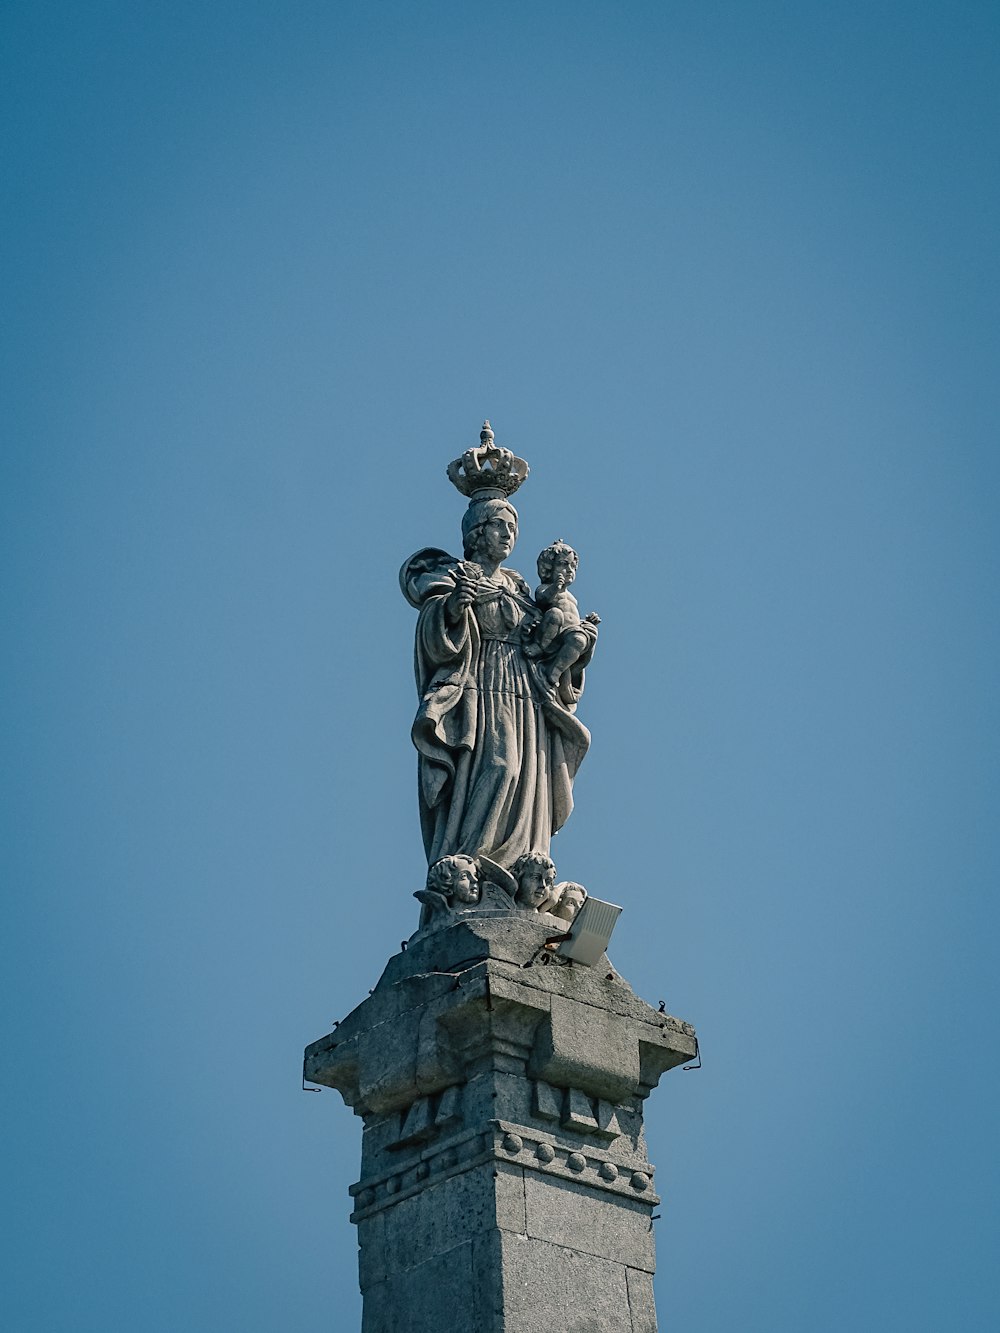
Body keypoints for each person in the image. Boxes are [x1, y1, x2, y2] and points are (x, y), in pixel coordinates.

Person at [402, 495, 597, 870]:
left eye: (513, 527)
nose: (509, 534)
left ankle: (520, 868)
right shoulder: (457, 577)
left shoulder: (521, 587)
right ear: (476, 534)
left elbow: (545, 638)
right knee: (499, 765)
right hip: (481, 684)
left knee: (529, 778)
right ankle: (468, 863)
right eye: (498, 525)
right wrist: (455, 606)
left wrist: (578, 642)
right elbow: (433, 631)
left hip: (526, 690)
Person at [523, 540, 600, 687]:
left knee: (580, 640)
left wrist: (588, 622)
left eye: (572, 566)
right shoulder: (545, 588)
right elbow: (542, 600)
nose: (570, 570)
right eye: (564, 564)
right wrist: (554, 588)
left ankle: (556, 670)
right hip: (552, 635)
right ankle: (538, 647)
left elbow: (574, 618)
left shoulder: (572, 598)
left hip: (570, 633)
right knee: (555, 614)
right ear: (548, 568)